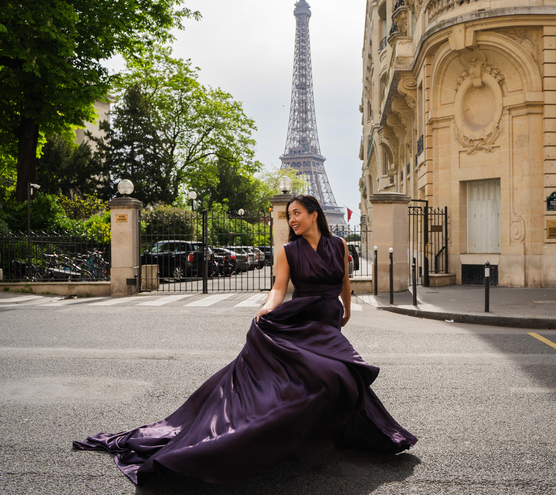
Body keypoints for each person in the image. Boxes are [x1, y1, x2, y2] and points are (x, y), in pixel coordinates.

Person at [73, 195, 417, 485]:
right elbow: (279, 289)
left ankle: (320, 430)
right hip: (300, 320)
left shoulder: (338, 244)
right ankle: (268, 435)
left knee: (341, 376)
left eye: (297, 213)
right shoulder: (287, 250)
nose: (291, 219)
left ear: (315, 215)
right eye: (288, 215)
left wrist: (347, 311)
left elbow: (344, 281)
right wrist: (266, 310)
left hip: (328, 322)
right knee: (323, 377)